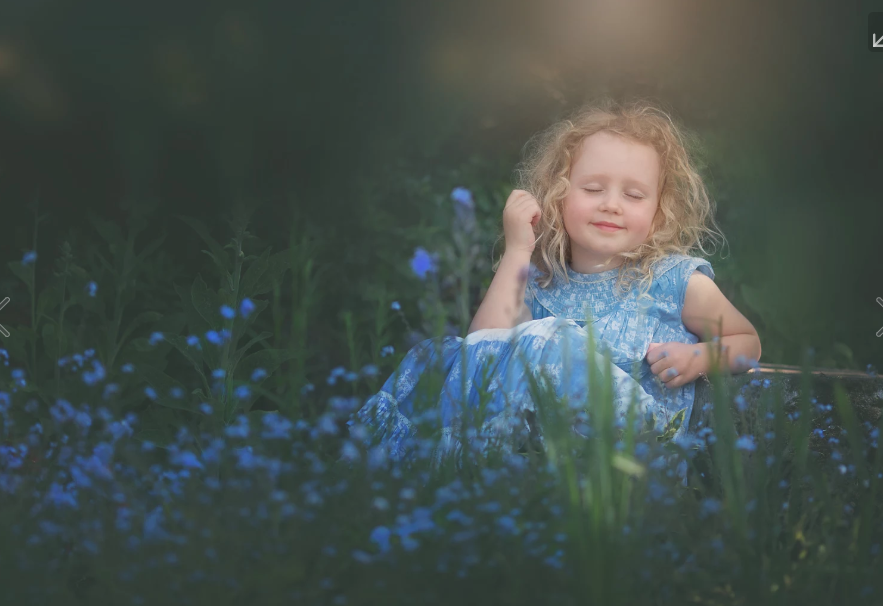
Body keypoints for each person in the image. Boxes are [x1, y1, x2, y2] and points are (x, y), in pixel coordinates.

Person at [347, 97, 762, 471]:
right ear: (559, 195)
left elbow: (748, 341)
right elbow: (482, 353)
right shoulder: (543, 281)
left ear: (659, 212)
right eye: (593, 188)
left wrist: (700, 356)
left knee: (549, 341)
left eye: (634, 195)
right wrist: (516, 253)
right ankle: (432, 489)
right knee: (443, 357)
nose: (611, 204)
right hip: (539, 462)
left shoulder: (673, 280)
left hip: (635, 456)